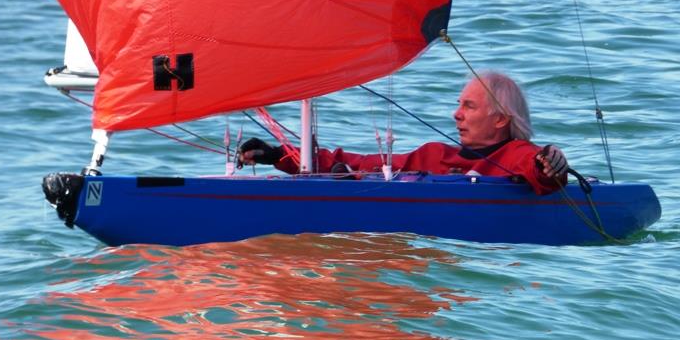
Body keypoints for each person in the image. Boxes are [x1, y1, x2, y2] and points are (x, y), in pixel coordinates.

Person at [239, 71, 568, 195]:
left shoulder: (518, 155)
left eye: (469, 106)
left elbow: (541, 174)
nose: (456, 113)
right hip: (436, 247)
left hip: (491, 263)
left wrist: (550, 164)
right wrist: (282, 156)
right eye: (459, 104)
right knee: (352, 173)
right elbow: (363, 163)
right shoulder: (434, 155)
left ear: (500, 120)